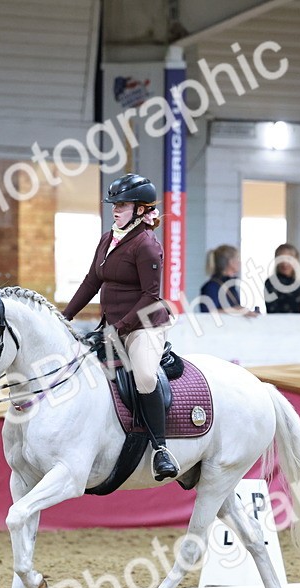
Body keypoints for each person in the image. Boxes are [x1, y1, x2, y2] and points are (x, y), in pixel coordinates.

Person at [62, 173, 178, 481]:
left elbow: (150, 297)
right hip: (112, 325)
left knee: (143, 376)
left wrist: (120, 328)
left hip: (143, 327)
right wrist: (64, 316)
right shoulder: (108, 238)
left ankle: (161, 450)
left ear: (140, 209)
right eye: (114, 204)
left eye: (123, 205)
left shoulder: (147, 246)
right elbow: (92, 281)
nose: (115, 210)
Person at [198, 245, 259, 315]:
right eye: (237, 258)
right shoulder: (211, 287)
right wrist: (236, 311)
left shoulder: (230, 285)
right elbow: (208, 313)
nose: (240, 262)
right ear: (230, 262)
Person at [264, 243, 300, 315]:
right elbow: (272, 310)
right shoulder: (271, 282)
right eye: (281, 259)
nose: (285, 263)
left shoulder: (297, 283)